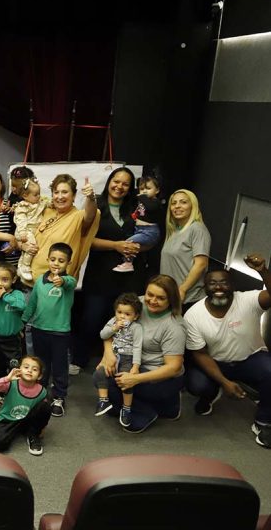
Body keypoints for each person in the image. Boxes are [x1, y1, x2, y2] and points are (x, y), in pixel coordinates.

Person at [184, 257, 271, 448]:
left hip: (250, 358)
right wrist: (224, 382)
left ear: (232, 285)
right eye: (212, 283)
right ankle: (213, 392)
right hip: (217, 362)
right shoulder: (193, 315)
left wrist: (263, 272)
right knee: (196, 385)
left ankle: (264, 421)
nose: (218, 287)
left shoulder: (248, 300)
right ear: (204, 287)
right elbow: (200, 353)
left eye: (224, 282)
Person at [99, 275, 186, 434]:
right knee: (100, 376)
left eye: (160, 298)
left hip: (159, 375)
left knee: (114, 385)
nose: (153, 300)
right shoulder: (136, 304)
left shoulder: (174, 326)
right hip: (129, 360)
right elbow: (111, 329)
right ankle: (148, 406)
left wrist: (135, 379)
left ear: (170, 300)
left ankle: (148, 412)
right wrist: (108, 355)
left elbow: (174, 367)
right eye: (150, 294)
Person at [74, 167, 139, 375]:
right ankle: (79, 359)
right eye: (116, 181)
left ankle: (118, 363)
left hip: (128, 277)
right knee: (91, 320)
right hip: (99, 274)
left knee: (123, 323)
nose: (119, 186)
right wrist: (115, 245)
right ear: (109, 181)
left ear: (130, 188)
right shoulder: (96, 206)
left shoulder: (135, 208)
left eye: (125, 184)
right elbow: (85, 239)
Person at [22, 242, 77, 418]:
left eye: (61, 261)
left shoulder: (68, 282)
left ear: (68, 263)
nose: (56, 263)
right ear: (47, 259)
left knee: (60, 366)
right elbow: (32, 304)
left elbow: (69, 282)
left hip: (60, 332)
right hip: (39, 329)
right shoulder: (39, 282)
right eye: (53, 259)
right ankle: (41, 393)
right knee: (42, 364)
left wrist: (62, 280)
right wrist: (23, 322)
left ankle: (59, 397)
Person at [19, 174, 99, 286]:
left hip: (54, 285)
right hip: (28, 281)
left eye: (64, 192)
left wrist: (90, 197)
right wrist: (22, 246)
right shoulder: (45, 211)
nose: (59, 196)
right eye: (56, 192)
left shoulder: (78, 217)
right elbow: (24, 232)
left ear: (74, 196)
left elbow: (91, 214)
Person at [92, 293, 143, 427]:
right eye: (119, 312)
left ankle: (126, 408)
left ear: (135, 316)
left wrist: (136, 366)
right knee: (99, 373)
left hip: (128, 358)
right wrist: (113, 328)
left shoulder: (136, 328)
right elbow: (102, 335)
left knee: (125, 381)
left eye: (127, 314)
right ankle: (103, 401)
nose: (122, 316)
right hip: (113, 356)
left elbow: (138, 347)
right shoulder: (113, 322)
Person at [0, 356, 51, 456]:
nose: (29, 370)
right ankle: (17, 431)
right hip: (9, 420)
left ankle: (33, 435)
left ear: (39, 376)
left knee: (46, 406)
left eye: (34, 369)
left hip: (27, 419)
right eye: (26, 367)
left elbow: (41, 412)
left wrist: (42, 428)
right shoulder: (11, 384)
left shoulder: (42, 391)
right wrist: (6, 378)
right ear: (18, 370)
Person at [161, 189, 210, 312]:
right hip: (170, 296)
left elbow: (201, 264)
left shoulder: (197, 229)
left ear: (192, 206)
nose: (177, 206)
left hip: (188, 299)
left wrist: (182, 289)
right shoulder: (174, 230)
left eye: (183, 202)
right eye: (174, 203)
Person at [112, 179, 162, 273]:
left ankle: (128, 263)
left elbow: (150, 207)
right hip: (139, 229)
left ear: (157, 190)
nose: (144, 191)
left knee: (128, 243)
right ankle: (128, 263)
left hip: (149, 231)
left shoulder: (155, 202)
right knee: (132, 245)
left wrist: (142, 196)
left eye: (148, 188)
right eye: (142, 189)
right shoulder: (142, 201)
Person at [10, 178, 49, 282]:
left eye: (39, 193)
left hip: (33, 230)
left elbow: (47, 204)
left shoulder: (39, 203)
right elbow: (20, 220)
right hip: (24, 231)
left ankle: (20, 267)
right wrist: (22, 232)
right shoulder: (23, 206)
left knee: (28, 249)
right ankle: (25, 266)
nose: (38, 196)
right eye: (35, 194)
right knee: (31, 246)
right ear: (25, 196)